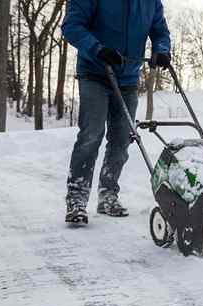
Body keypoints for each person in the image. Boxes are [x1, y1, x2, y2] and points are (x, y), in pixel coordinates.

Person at [61, 0, 171, 225]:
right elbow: (71, 26)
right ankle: (77, 200)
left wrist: (161, 51)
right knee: (91, 135)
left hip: (128, 78)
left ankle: (108, 195)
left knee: (122, 139)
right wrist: (98, 49)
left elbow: (160, 31)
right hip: (94, 72)